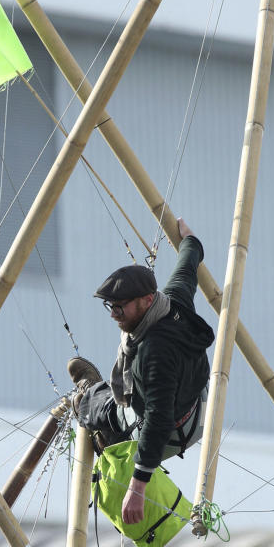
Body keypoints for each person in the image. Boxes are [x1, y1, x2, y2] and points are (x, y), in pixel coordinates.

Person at [69, 218, 215, 526]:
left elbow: (158, 419)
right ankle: (102, 401)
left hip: (171, 432)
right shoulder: (173, 302)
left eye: (119, 308)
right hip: (198, 404)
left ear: (147, 301)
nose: (112, 314)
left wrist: (137, 486)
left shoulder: (154, 354)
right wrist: (190, 241)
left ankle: (95, 408)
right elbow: (187, 270)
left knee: (96, 404)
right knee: (126, 394)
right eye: (109, 306)